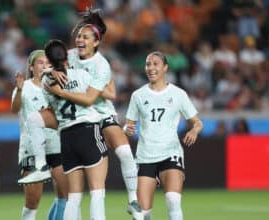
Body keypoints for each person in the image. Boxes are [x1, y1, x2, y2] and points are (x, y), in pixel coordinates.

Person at [41, 9, 143, 219]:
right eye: (78, 35)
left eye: (85, 37)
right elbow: (49, 69)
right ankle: (36, 154)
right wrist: (53, 72)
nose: (79, 39)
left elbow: (112, 93)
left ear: (96, 42)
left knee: (124, 152)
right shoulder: (69, 56)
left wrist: (85, 86)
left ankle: (134, 199)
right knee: (37, 118)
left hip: (101, 113)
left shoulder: (101, 64)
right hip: (82, 117)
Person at [124, 51, 203, 220]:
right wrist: (127, 129)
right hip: (145, 156)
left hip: (170, 153)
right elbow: (128, 124)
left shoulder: (178, 94)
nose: (151, 68)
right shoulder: (137, 95)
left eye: (155, 64)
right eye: (148, 64)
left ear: (165, 67)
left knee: (173, 200)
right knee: (143, 214)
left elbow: (197, 122)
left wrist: (194, 130)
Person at [43, 39, 108, 220]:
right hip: (87, 130)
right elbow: (91, 98)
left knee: (74, 196)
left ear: (48, 59)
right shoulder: (82, 75)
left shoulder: (47, 83)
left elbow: (44, 78)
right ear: (67, 54)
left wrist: (51, 72)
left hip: (66, 136)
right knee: (97, 191)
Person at [11, 50, 68, 220]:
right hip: (32, 149)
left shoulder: (55, 85)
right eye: (40, 63)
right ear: (31, 66)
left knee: (65, 196)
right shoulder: (25, 87)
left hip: (56, 145)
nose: (45, 66)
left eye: (47, 63)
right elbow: (14, 109)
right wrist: (19, 90)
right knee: (32, 202)